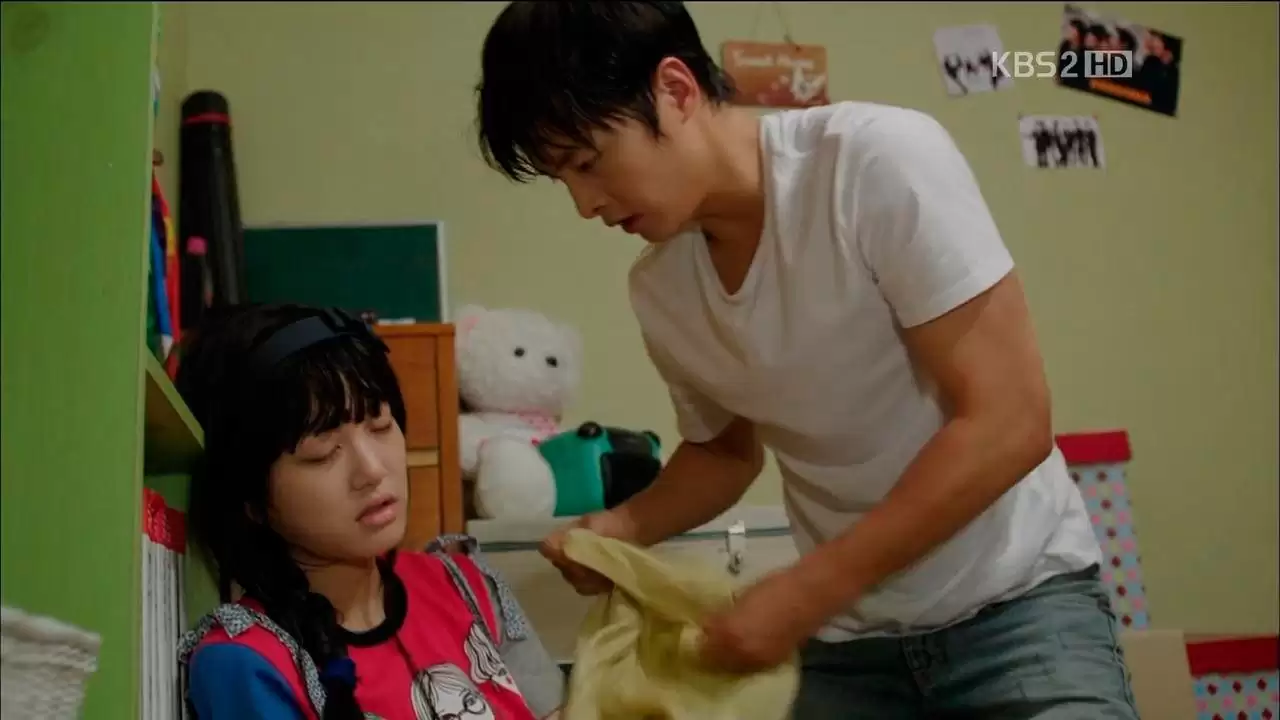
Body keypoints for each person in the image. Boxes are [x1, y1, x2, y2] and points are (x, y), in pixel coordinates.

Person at [473, 2, 1140, 718]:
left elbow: (1010, 420)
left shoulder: (873, 163)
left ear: (674, 90)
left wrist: (808, 590)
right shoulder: (661, 287)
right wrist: (623, 528)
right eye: (562, 179)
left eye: (587, 162)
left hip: (1017, 608)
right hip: (848, 646)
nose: (584, 204)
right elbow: (725, 453)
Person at [173, 304, 564, 720]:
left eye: (380, 426)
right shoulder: (246, 663)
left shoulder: (467, 586)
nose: (373, 470)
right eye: (323, 453)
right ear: (250, 498)